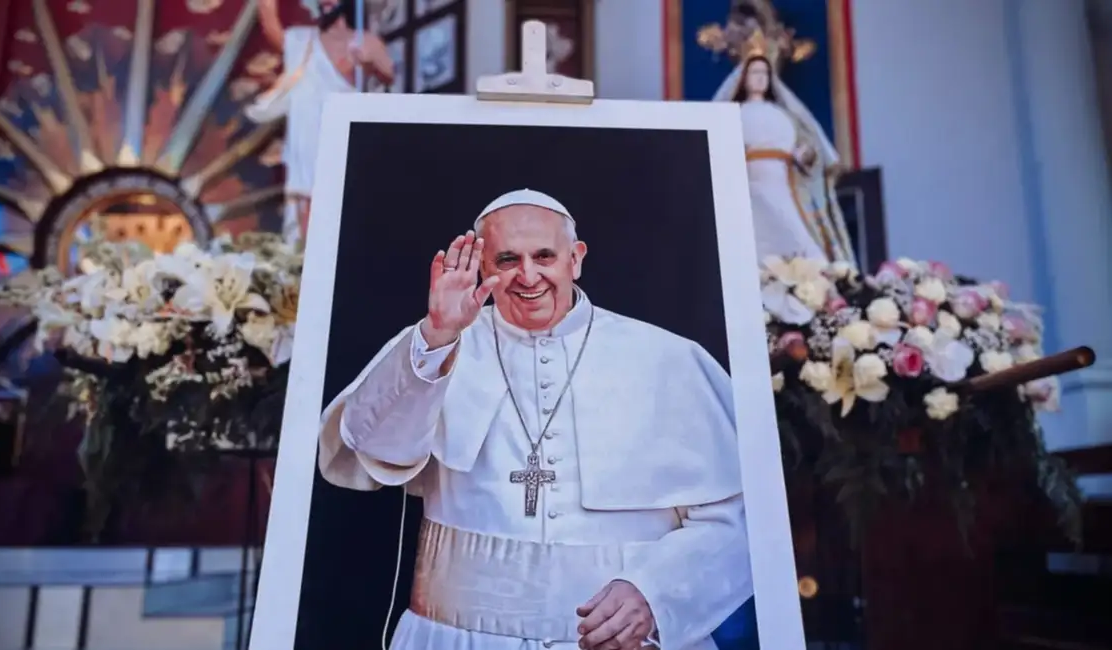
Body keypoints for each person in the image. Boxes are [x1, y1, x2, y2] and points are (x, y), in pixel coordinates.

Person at [318, 189, 754, 649]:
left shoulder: (668, 359)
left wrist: (657, 594)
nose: (528, 276)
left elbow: (738, 520)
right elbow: (370, 451)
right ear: (482, 266)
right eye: (507, 259)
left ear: (575, 258)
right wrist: (437, 334)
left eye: (544, 256)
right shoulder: (436, 344)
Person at [246, 0, 395, 245]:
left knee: (335, 203)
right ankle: (298, 256)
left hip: (337, 135)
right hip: (305, 135)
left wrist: (369, 61)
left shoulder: (363, 41)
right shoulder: (302, 40)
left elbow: (388, 73)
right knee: (302, 203)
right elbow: (272, 28)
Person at [711, 33, 856, 265]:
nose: (760, 78)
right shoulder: (732, 115)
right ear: (743, 78)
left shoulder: (786, 115)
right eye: (754, 72)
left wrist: (806, 155)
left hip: (784, 186)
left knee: (800, 240)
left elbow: (811, 150)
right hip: (748, 186)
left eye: (764, 73)